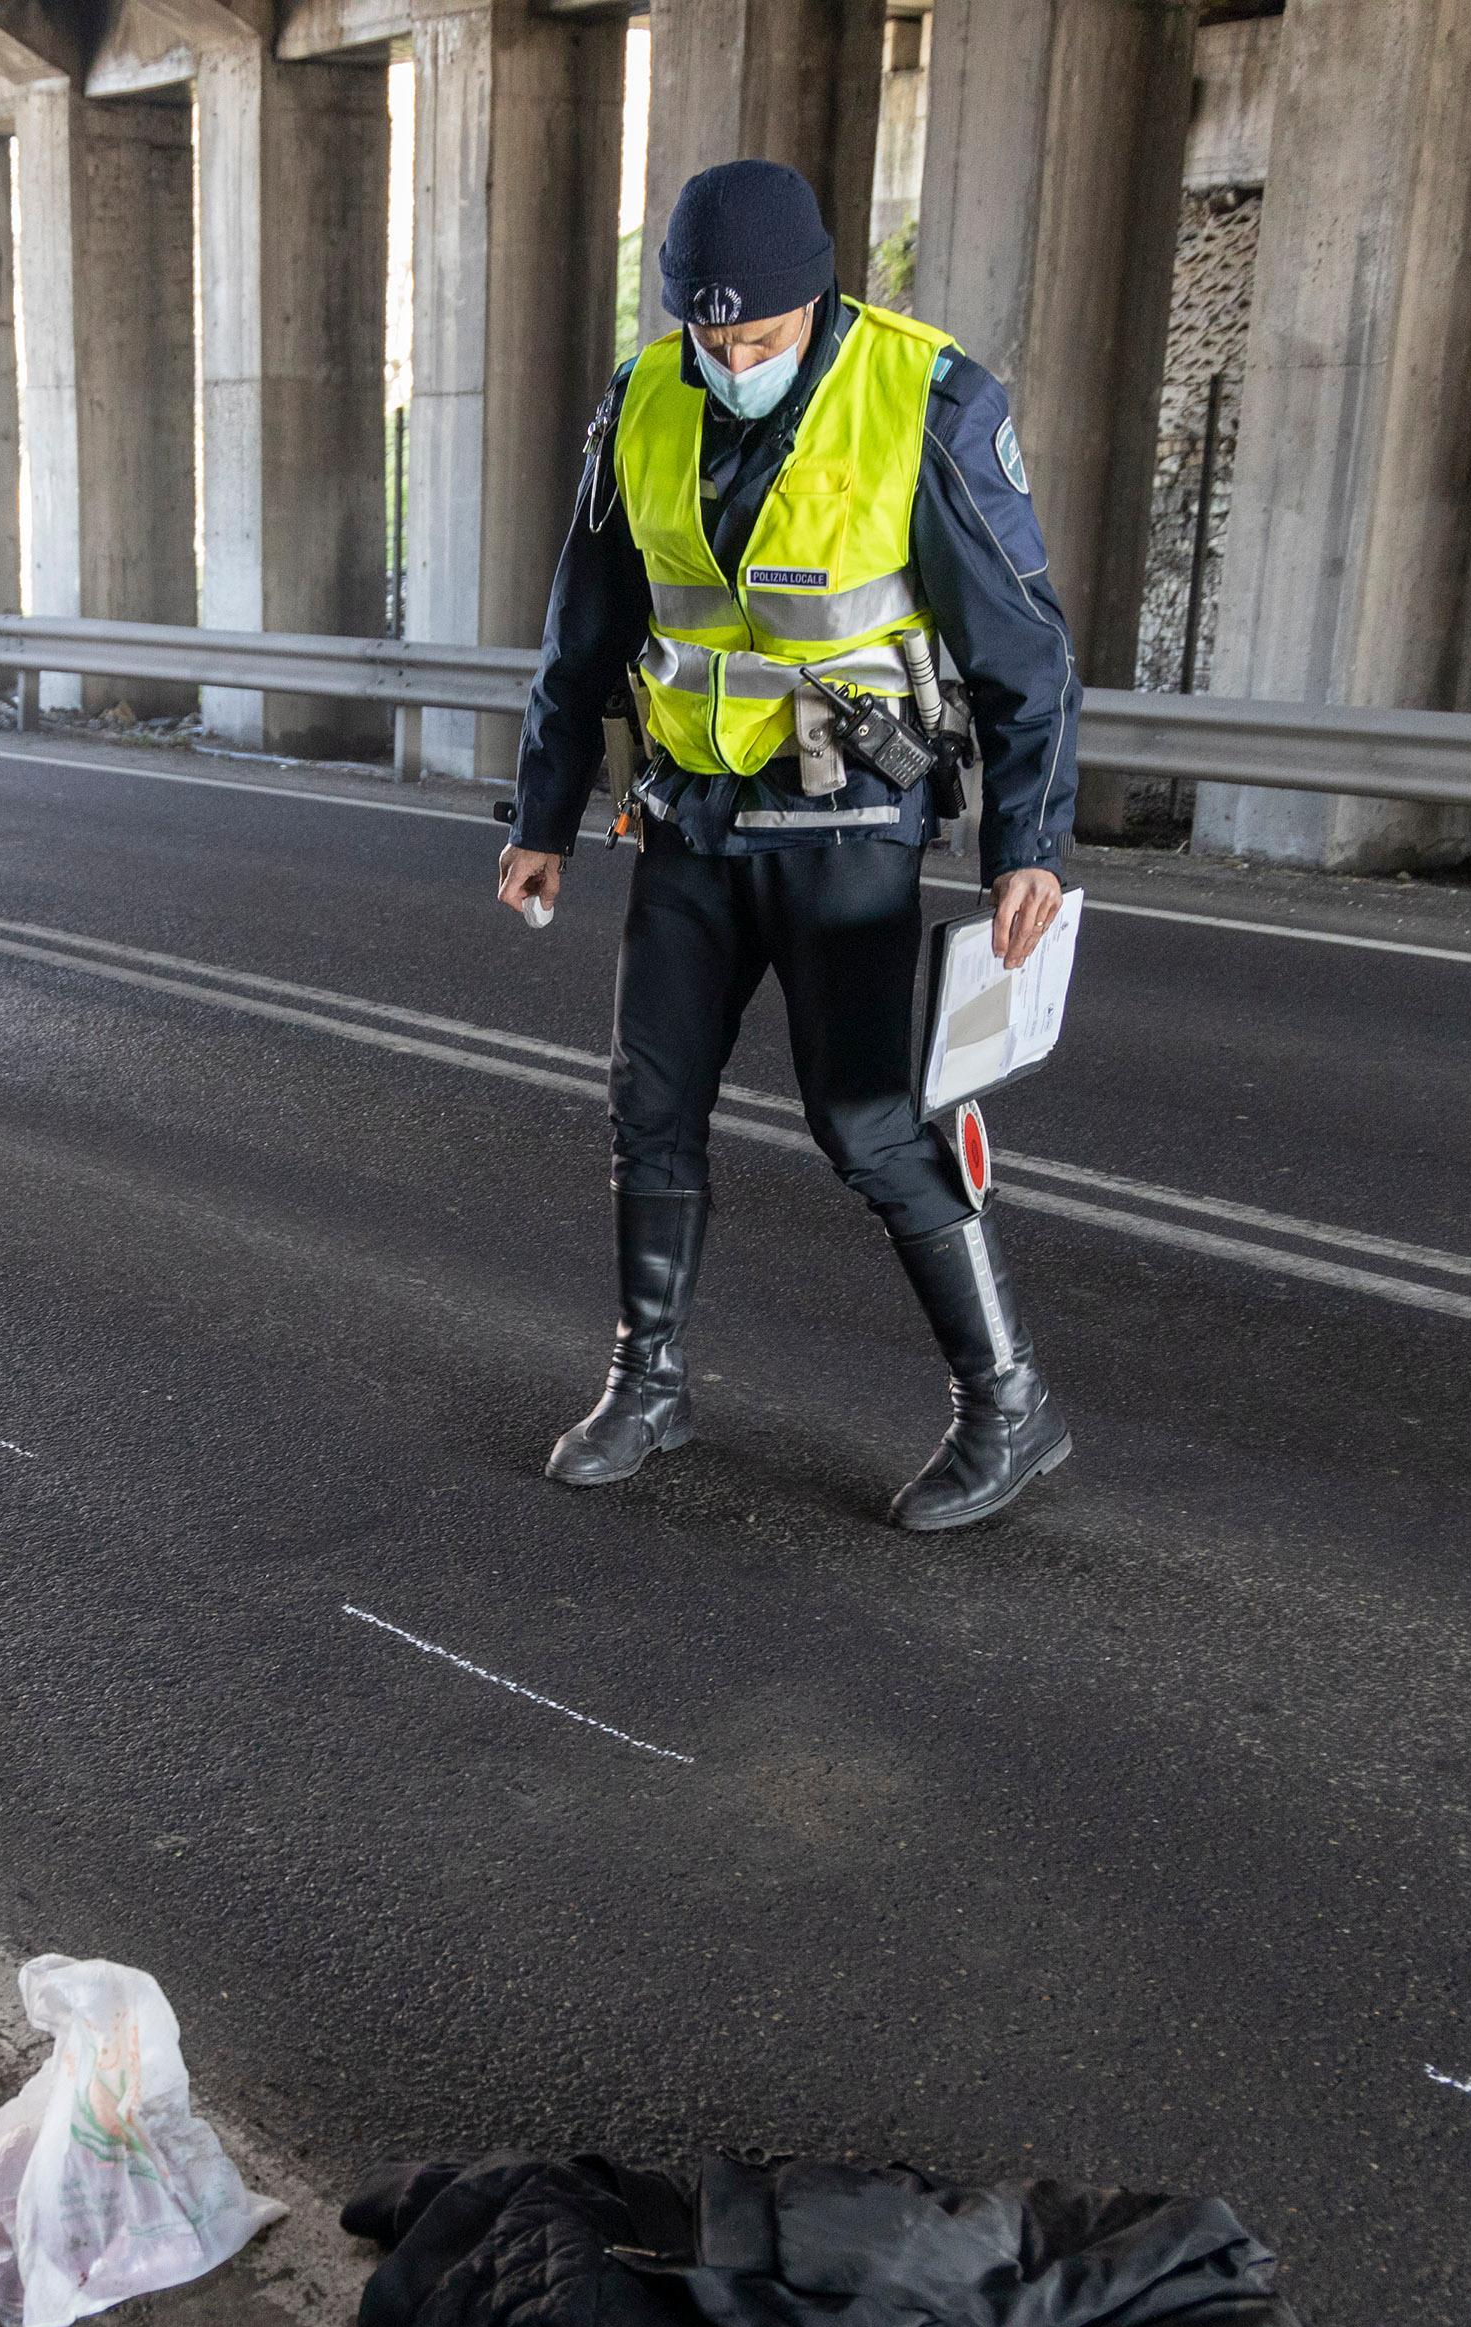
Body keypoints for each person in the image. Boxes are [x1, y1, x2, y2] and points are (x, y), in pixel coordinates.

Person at [500, 160, 1081, 1534]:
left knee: (872, 1124)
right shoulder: (643, 402)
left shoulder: (927, 398)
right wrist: (542, 816)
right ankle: (649, 1383)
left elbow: (1026, 651)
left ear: (818, 298)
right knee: (650, 1102)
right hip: (695, 824)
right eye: (710, 336)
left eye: (757, 337)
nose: (732, 358)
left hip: (849, 821)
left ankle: (1008, 1409)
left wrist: (1028, 843)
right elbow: (582, 629)